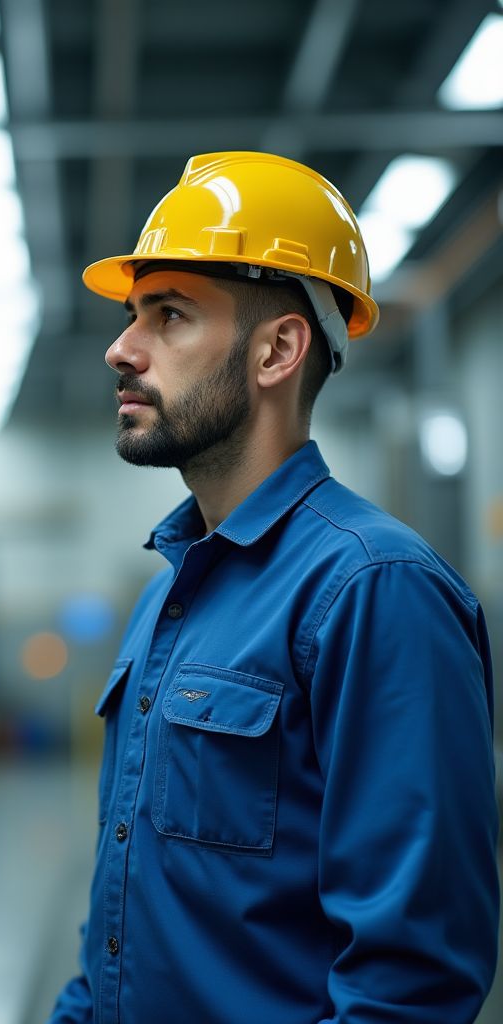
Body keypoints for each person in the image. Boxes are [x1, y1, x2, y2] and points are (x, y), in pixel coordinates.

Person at [49, 152, 499, 1023]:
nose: (120, 348)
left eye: (168, 315)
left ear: (278, 351)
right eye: (131, 314)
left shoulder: (376, 590)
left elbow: (411, 987)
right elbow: (122, 914)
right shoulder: (168, 597)